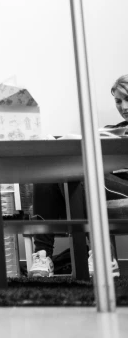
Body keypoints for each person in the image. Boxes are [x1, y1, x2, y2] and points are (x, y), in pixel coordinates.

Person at [29, 74, 128, 278]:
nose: (123, 106)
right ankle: (43, 254)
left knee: (81, 173)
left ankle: (102, 252)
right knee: (48, 172)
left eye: (127, 99)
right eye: (118, 101)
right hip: (101, 183)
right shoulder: (111, 130)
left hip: (122, 186)